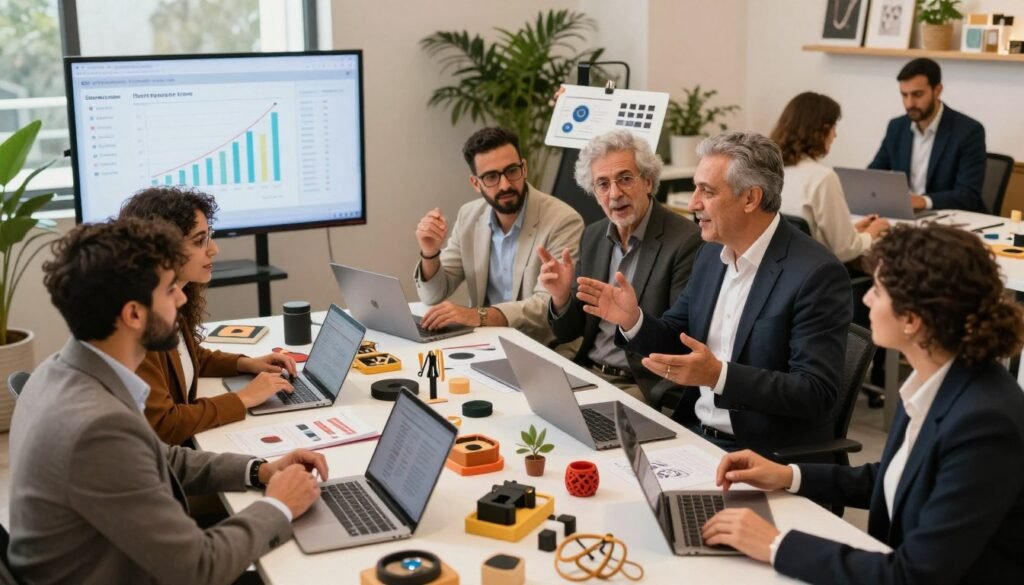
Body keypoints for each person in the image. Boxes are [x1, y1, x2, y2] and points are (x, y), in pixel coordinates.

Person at [8, 219, 325, 584]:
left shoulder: (62, 370)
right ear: (133, 314)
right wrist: (279, 506)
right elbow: (199, 569)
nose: (182, 298)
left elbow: (155, 455)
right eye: (171, 288)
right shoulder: (96, 427)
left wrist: (258, 469)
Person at [703, 223, 1024, 584]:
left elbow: (914, 576)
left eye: (879, 290)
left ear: (913, 321)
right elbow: (896, 478)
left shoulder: (985, 422)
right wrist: (788, 475)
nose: (867, 298)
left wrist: (776, 545)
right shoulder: (933, 379)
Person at [575, 131, 852, 453]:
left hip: (762, 454)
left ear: (750, 198)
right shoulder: (711, 255)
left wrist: (720, 376)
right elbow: (675, 337)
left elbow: (815, 393)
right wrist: (633, 320)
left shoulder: (816, 274)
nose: (693, 203)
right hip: (692, 434)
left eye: (706, 191)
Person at [119, 187, 296, 446]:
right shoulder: (140, 323)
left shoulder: (168, 298)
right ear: (163, 250)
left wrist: (245, 364)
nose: (213, 249)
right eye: (199, 240)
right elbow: (164, 425)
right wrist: (243, 398)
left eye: (208, 237)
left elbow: (186, 358)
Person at [537, 129, 701, 405]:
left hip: (640, 383)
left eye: (624, 179)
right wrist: (562, 297)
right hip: (588, 372)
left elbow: (679, 341)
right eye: (602, 184)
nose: (614, 194)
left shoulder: (686, 241)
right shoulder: (593, 236)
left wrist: (631, 320)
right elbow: (569, 332)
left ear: (648, 181)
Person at [414, 127, 584, 344]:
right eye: (492, 177)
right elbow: (432, 295)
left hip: (543, 346)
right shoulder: (469, 216)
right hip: (487, 342)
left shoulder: (563, 221)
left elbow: (546, 306)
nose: (505, 185)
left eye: (512, 171)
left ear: (524, 168)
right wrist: (430, 252)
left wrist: (478, 316)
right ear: (476, 183)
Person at [772, 92, 889, 263]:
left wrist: (852, 232)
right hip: (819, 280)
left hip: (782, 274)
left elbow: (804, 235)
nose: (835, 135)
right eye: (834, 127)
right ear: (823, 131)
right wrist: (872, 233)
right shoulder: (823, 178)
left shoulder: (768, 169)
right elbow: (844, 250)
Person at [869, 58, 987, 212]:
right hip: (906, 216)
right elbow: (873, 175)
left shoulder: (968, 131)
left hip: (950, 219)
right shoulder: (896, 127)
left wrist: (922, 201)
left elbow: (968, 195)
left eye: (917, 94)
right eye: (904, 95)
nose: (909, 103)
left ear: (937, 90)